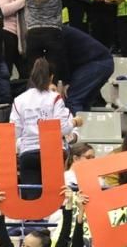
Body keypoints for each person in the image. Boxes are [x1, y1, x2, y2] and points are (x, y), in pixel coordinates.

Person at [10, 59, 80, 201]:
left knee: (31, 200)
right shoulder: (55, 98)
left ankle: (33, 222)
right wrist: (74, 122)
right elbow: (62, 129)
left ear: (32, 76)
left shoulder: (19, 100)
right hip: (51, 152)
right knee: (53, 199)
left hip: (28, 153)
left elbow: (14, 132)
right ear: (51, 77)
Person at [60, 25, 115, 113]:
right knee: (84, 101)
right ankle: (85, 125)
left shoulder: (58, 34)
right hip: (102, 62)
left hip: (97, 61)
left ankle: (76, 126)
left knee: (73, 99)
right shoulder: (61, 31)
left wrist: (66, 82)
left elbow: (63, 59)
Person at [21, 0, 65, 84]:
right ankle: (52, 93)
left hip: (33, 32)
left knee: (34, 72)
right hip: (53, 31)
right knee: (54, 72)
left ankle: (35, 94)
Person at [0, 0, 25, 78]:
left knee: (25, 71)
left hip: (18, 37)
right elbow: (2, 10)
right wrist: (22, 1)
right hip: (7, 33)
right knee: (6, 70)